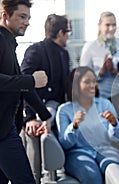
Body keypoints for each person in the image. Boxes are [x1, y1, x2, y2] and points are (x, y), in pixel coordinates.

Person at [0, 0, 51, 183]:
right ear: (5, 15)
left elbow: (20, 86)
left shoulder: (9, 43)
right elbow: (20, 82)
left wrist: (45, 115)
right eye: (22, 16)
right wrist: (31, 80)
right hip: (3, 133)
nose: (27, 22)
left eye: (28, 17)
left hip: (7, 128)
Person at [56, 66, 119, 184]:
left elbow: (116, 137)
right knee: (92, 176)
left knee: (116, 174)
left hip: (106, 150)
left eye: (94, 81)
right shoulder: (64, 110)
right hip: (78, 154)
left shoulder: (105, 104)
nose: (93, 85)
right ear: (76, 85)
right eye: (87, 82)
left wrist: (114, 123)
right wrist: (74, 125)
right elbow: (65, 144)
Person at [20, 14, 71, 184]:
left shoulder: (64, 54)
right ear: (61, 33)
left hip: (54, 112)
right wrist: (30, 118)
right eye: (68, 33)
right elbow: (23, 84)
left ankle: (53, 177)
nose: (68, 37)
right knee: (34, 136)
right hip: (34, 112)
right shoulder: (35, 51)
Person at [80, 11, 119, 99]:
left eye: (114, 25)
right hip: (99, 96)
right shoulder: (89, 47)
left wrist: (114, 70)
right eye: (107, 25)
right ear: (99, 26)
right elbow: (82, 76)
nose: (111, 28)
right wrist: (101, 72)